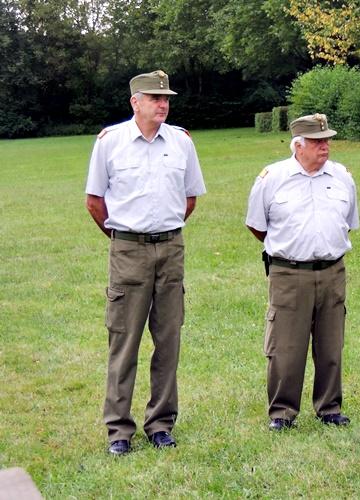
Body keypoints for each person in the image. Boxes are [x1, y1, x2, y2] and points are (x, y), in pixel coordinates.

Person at [85, 70, 206, 454]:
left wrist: (162, 231)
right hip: (128, 251)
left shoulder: (182, 142)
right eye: (155, 98)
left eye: (166, 98)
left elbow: (189, 199)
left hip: (171, 250)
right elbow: (94, 201)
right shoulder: (110, 142)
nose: (163, 104)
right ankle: (119, 430)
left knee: (168, 340)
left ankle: (161, 424)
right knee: (124, 341)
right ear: (135, 102)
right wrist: (125, 238)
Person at [246, 113, 359, 431]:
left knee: (331, 344)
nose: (325, 146)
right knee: (285, 347)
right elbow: (257, 226)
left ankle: (330, 407)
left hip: (332, 271)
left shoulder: (342, 177)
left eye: (327, 140)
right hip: (289, 273)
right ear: (298, 145)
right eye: (317, 141)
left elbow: (348, 222)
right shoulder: (272, 178)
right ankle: (282, 413)